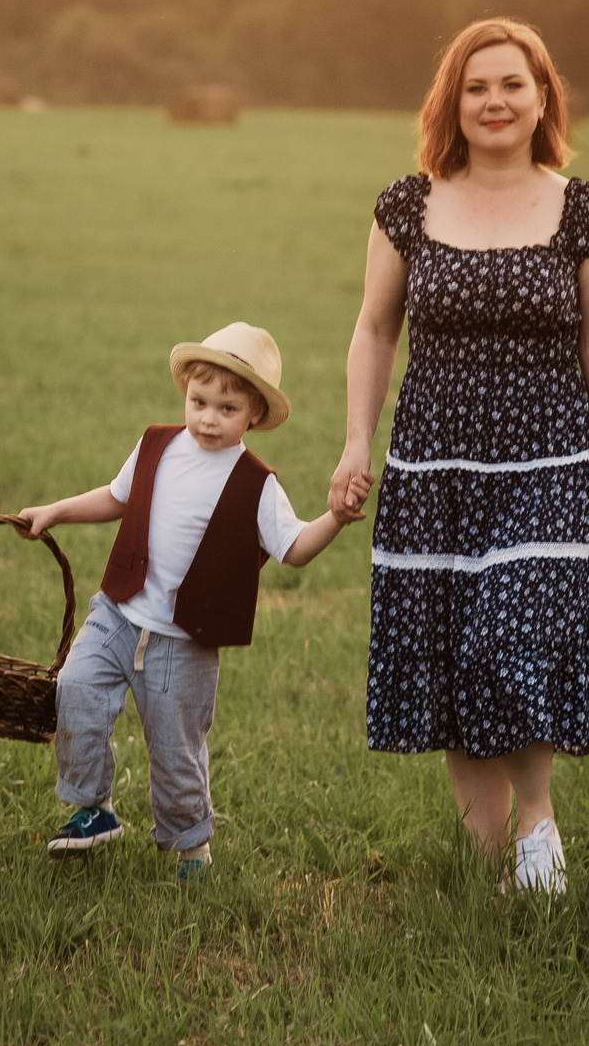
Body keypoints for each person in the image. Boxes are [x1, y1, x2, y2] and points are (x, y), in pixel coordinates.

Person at [330, 18, 589, 895]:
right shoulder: (408, 204)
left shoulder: (585, 212)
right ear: (453, 102)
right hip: (432, 469)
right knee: (445, 655)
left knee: (508, 636)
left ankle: (539, 825)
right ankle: (485, 865)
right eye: (476, 87)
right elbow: (372, 332)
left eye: (512, 84)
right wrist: (358, 440)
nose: (495, 101)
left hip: (550, 464)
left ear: (542, 95)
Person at [22, 323, 360, 882]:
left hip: (184, 642)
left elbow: (295, 549)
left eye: (226, 408)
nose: (206, 417)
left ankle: (190, 845)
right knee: (74, 689)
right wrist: (53, 510)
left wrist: (337, 519)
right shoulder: (157, 444)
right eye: (198, 401)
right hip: (119, 613)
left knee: (176, 749)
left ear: (253, 414)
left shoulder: (256, 485)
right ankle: (92, 809)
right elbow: (114, 496)